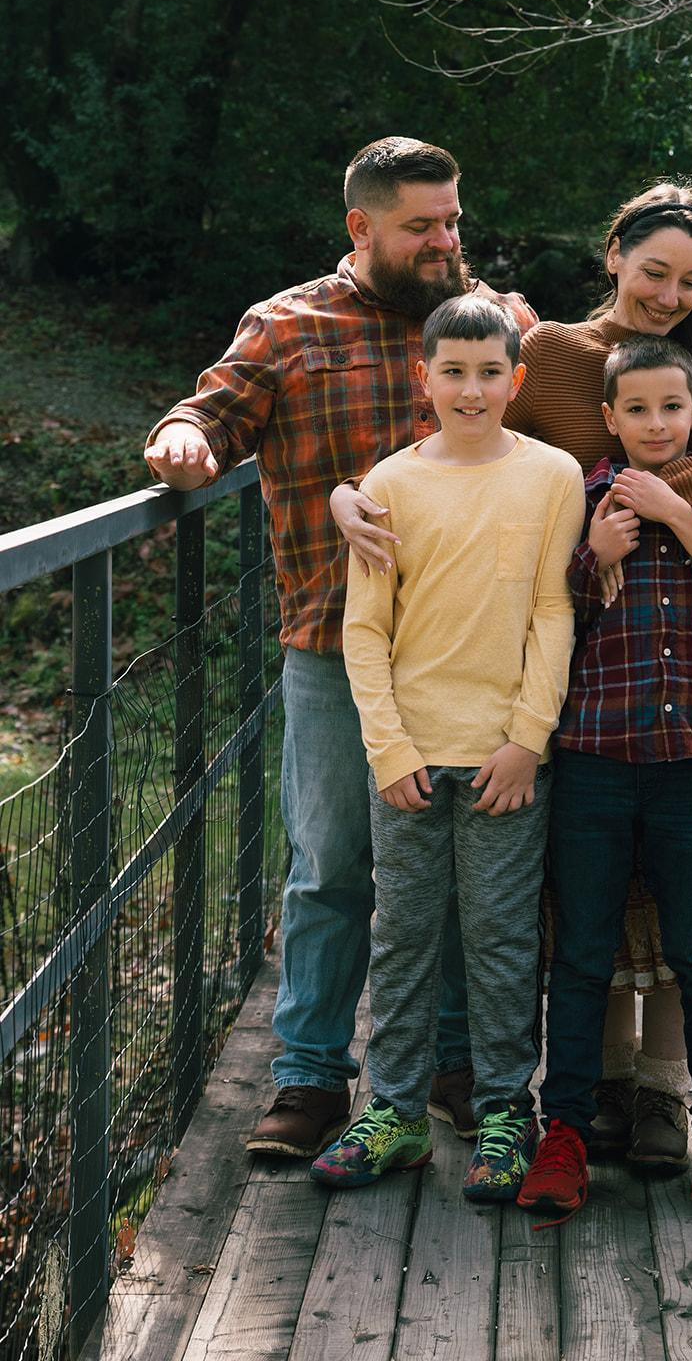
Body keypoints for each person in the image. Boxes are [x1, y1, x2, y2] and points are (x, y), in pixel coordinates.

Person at [330, 180, 692, 1164]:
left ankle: (665, 1093)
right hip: (581, 648)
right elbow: (470, 429)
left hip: (689, 659)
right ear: (612, 250)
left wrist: (640, 492)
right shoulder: (553, 354)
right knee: (588, 898)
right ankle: (597, 1090)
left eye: (690, 280)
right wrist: (348, 490)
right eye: (654, 270)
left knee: (683, 899)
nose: (669, 295)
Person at [144, 138, 537, 1158]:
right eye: (422, 225)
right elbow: (210, 411)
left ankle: (453, 1069)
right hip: (330, 648)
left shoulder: (487, 322)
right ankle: (311, 1078)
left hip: (471, 654)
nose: (446, 241)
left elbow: (598, 390)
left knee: (460, 870)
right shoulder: (286, 326)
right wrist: (181, 438)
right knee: (331, 866)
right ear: (361, 228)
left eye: (453, 220)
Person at [310, 295, 585, 1201]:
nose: (472, 389)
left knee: (504, 938)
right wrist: (388, 750)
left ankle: (508, 1111)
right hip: (412, 762)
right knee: (404, 935)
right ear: (422, 378)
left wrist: (527, 741)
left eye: (490, 371)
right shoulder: (388, 485)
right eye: (453, 372)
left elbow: (553, 610)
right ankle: (390, 1111)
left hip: (505, 760)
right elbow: (364, 630)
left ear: (516, 378)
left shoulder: (553, 476)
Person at [516, 334, 692, 1220]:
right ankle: (567, 1134)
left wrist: (680, 517)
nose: (655, 422)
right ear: (609, 419)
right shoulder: (581, 501)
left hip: (687, 767)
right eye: (637, 409)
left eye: (672, 407)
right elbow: (546, 609)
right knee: (581, 952)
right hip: (592, 760)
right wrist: (595, 555)